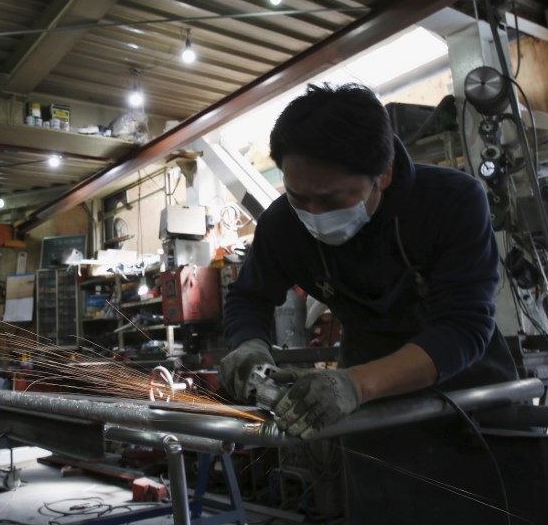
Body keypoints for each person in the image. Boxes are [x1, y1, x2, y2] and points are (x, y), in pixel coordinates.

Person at [218, 83, 519, 524]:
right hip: (368, 415)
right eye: (299, 196)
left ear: (386, 175)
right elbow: (248, 297)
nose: (314, 213)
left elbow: (463, 327)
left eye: (333, 199)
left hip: (470, 398)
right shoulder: (283, 224)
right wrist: (248, 345)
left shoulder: (452, 202)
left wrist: (356, 384)